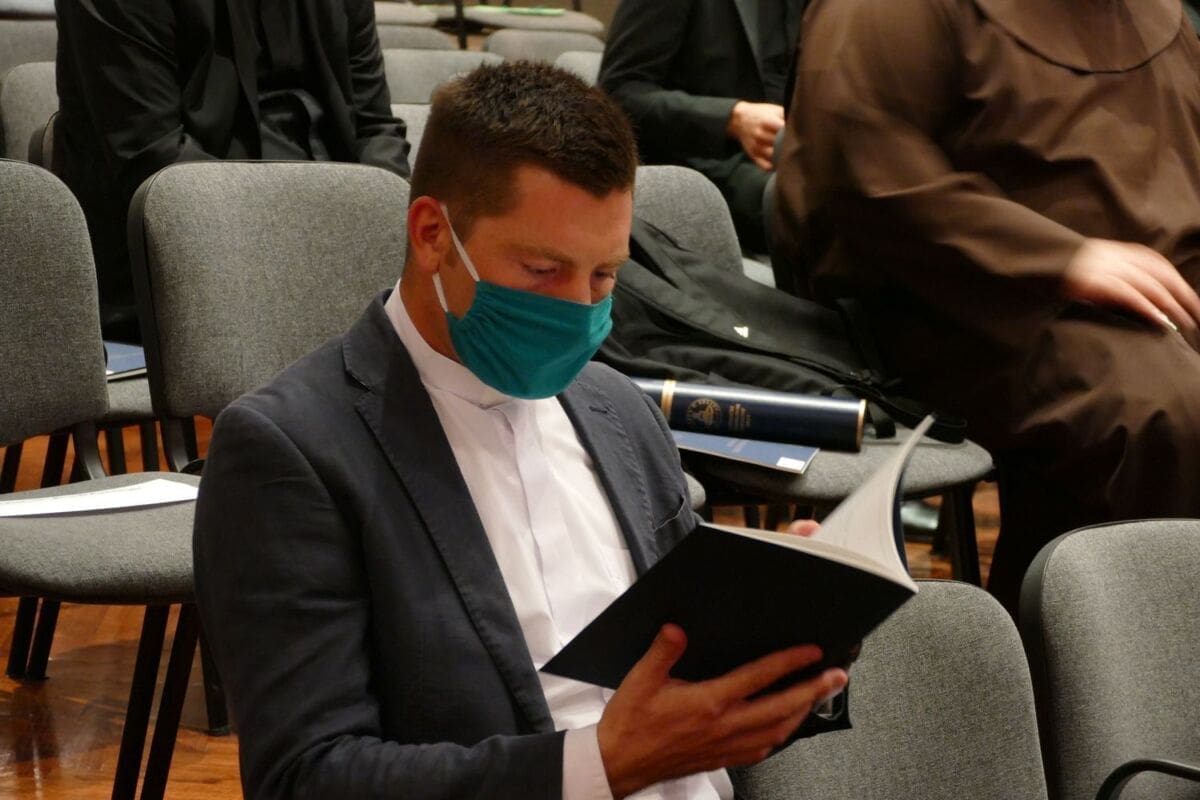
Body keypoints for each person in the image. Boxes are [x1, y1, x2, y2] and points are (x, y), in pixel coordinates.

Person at [194, 62, 848, 800]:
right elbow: (307, 779)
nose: (579, 310)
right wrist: (603, 764)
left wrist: (785, 637)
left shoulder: (619, 408)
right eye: (543, 270)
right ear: (433, 234)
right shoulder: (291, 451)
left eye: (604, 276)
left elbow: (689, 668)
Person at [773, 0, 1200, 612]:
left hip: (1135, 285)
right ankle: (1093, 655)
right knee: (1166, 410)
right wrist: (1061, 258)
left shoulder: (1150, 14)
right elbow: (862, 168)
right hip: (958, 297)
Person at [54, 0, 411, 341]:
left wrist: (380, 229)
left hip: (334, 251)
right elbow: (158, 164)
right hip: (186, 277)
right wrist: (317, 251)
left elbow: (375, 127)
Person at [598, 0, 804, 254]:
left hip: (792, 150)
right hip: (705, 157)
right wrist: (732, 118)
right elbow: (619, 93)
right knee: (817, 202)